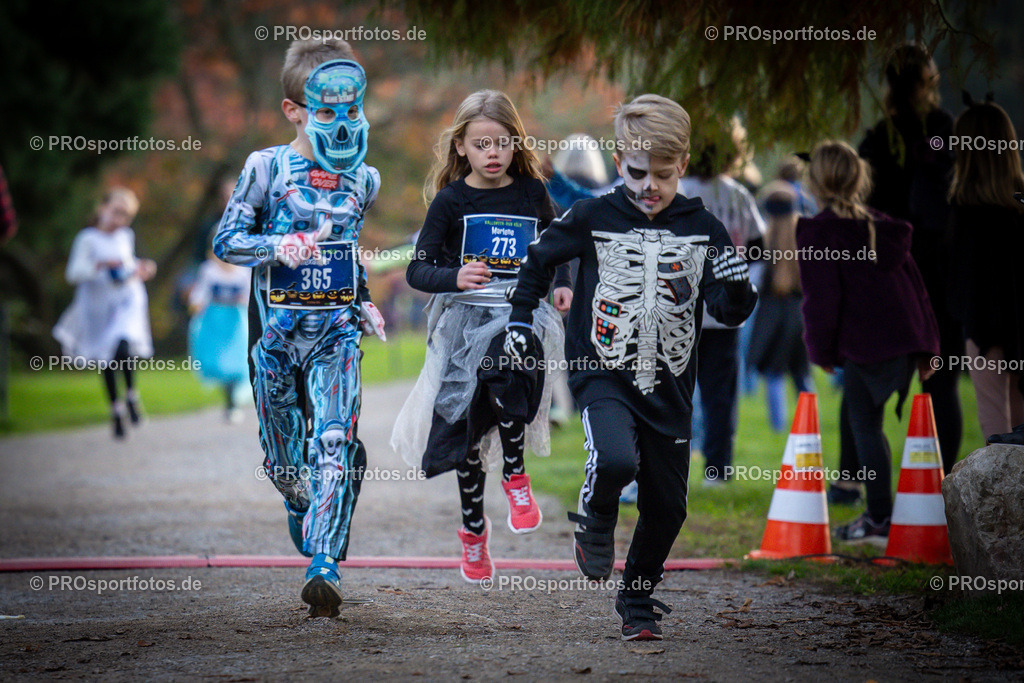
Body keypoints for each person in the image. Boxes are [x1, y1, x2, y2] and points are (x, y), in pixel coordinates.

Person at [507, 95, 757, 640]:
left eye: (663, 176)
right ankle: (595, 514)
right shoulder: (593, 215)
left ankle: (638, 596)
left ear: (683, 167)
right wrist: (522, 316)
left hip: (670, 385)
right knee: (616, 458)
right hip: (603, 371)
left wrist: (738, 285)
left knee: (668, 507)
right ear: (619, 163)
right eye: (637, 173)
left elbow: (726, 309)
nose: (649, 187)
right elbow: (540, 256)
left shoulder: (704, 228)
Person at [213, 39, 385, 616]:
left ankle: (325, 565)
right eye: (326, 110)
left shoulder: (367, 179)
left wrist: (362, 300)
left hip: (337, 334)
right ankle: (297, 497)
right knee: (289, 459)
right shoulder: (264, 167)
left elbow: (348, 249)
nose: (341, 123)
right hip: (275, 339)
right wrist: (275, 245)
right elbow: (226, 240)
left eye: (352, 109)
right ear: (295, 110)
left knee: (335, 440)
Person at [392, 90, 572, 584]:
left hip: (520, 318)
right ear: (461, 149)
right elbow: (418, 268)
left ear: (516, 145)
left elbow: (557, 247)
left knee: (508, 365)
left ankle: (515, 473)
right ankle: (473, 532)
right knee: (466, 439)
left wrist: (559, 287)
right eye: (481, 144)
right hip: (463, 324)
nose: (492, 153)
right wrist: (454, 277)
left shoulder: (532, 192)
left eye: (502, 143)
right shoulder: (452, 201)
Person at [797, 141, 939, 545]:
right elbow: (916, 290)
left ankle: (879, 518)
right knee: (864, 421)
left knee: (866, 426)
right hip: (900, 340)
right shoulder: (880, 226)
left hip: (870, 345)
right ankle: (878, 514)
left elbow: (820, 300)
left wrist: (820, 352)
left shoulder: (820, 230)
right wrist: (927, 345)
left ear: (815, 182)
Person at [859, 43, 962, 473]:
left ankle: (865, 485)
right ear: (928, 83)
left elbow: (863, 210)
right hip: (940, 270)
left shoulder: (879, 138)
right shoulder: (944, 131)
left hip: (891, 275)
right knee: (942, 382)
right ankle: (943, 480)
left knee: (871, 385)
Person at [679, 142, 766, 484]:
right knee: (720, 396)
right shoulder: (738, 195)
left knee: (676, 392)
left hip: (682, 309)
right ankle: (717, 469)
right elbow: (759, 247)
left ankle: (673, 467)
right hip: (726, 310)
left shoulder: (680, 191)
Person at [947, 99, 1024, 443]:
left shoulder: (962, 213)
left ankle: (1003, 499)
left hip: (983, 328)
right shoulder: (1019, 208)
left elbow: (957, 282)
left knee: (996, 432)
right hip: (1019, 328)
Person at [53, 187, 156, 439]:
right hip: (97, 307)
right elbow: (73, 274)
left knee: (123, 346)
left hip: (125, 301)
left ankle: (131, 395)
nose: (119, 220)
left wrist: (141, 268)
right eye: (116, 212)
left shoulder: (125, 236)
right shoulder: (87, 239)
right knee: (107, 357)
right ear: (103, 208)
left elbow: (127, 265)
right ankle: (116, 411)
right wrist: (97, 266)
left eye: (126, 216)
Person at [746, 181, 813, 432]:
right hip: (800, 313)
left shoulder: (763, 242)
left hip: (772, 313)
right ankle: (811, 420)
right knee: (801, 372)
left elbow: (752, 279)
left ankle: (779, 426)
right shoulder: (806, 239)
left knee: (774, 373)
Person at [188, 244, 251, 423]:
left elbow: (250, 296)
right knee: (220, 363)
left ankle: (232, 403)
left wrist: (243, 300)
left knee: (235, 361)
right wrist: (196, 304)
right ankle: (230, 400)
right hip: (214, 321)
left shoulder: (243, 271)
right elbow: (200, 293)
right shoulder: (208, 270)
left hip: (235, 322)